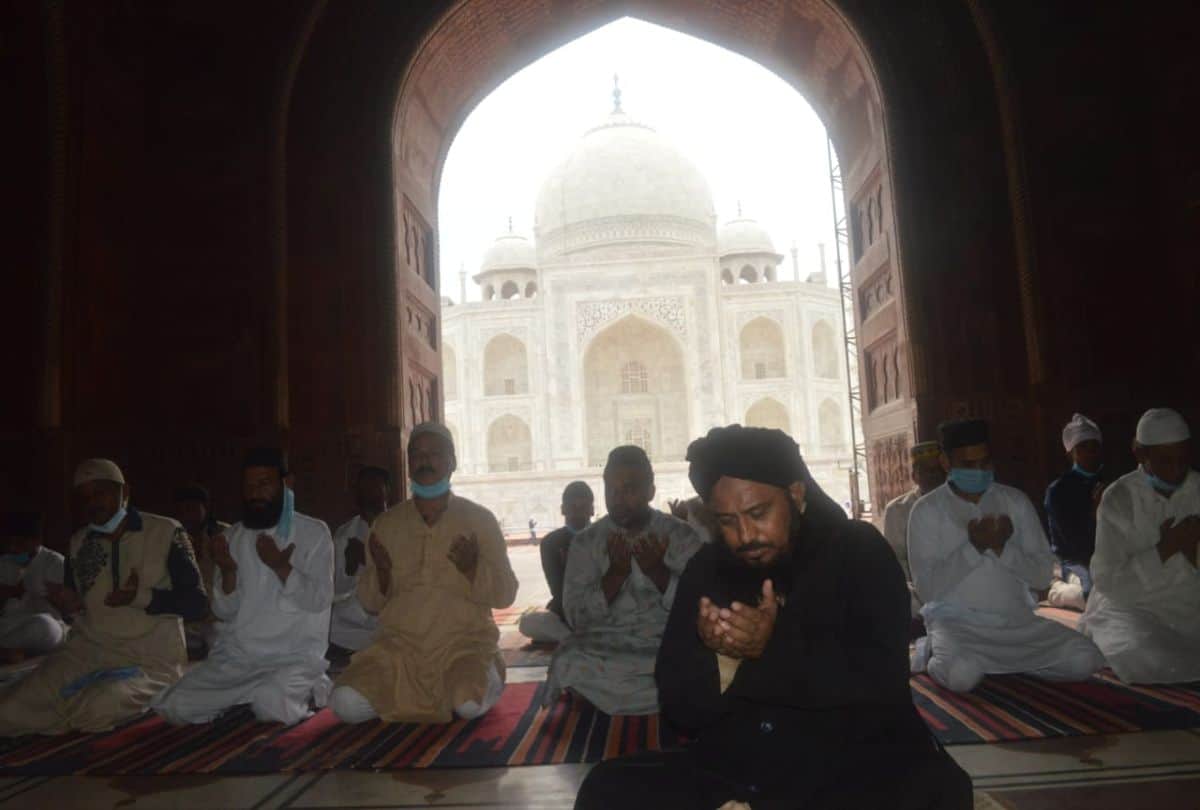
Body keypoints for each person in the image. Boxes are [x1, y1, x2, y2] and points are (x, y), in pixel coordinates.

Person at [575, 425, 972, 810]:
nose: (745, 535)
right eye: (727, 521)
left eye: (758, 513)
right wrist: (723, 660)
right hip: (739, 765)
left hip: (850, 760)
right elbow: (682, 711)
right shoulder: (708, 569)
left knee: (934, 790)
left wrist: (771, 649)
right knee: (605, 789)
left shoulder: (857, 552)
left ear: (796, 495)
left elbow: (880, 681)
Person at [0, 459, 207, 735]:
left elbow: (197, 605)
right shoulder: (79, 542)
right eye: (84, 497)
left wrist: (141, 597)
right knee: (8, 709)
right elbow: (79, 608)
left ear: (125, 491)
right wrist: (70, 605)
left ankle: (62, 715)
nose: (93, 503)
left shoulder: (166, 531)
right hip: (87, 651)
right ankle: (58, 714)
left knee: (94, 709)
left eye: (101, 492)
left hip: (149, 659)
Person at [330, 422, 518, 723]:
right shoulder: (386, 525)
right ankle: (425, 695)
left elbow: (506, 594)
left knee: (467, 704)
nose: (425, 460)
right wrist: (383, 573)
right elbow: (369, 603)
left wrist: (473, 569)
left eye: (434, 453)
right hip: (399, 651)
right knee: (344, 704)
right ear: (409, 464)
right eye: (417, 454)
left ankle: (482, 675)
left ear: (452, 462)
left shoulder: (479, 520)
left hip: (464, 646)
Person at [907, 419, 1105, 693]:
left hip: (1016, 621)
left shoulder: (1015, 502)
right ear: (946, 462)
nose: (979, 471)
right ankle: (933, 651)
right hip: (957, 624)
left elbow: (1041, 576)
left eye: (985, 462)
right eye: (968, 464)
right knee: (963, 676)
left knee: (1086, 659)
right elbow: (928, 591)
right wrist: (974, 547)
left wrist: (1004, 550)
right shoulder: (926, 511)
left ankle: (1018, 665)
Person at [154, 448, 334, 726]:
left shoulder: (314, 533)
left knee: (272, 706)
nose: (255, 494)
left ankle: (295, 691)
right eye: (249, 486)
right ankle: (244, 699)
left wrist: (281, 567)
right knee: (174, 706)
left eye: (264, 484)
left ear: (287, 484)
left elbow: (319, 600)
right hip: (239, 659)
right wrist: (228, 571)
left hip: (293, 658)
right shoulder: (231, 537)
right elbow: (224, 612)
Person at [544, 446, 704, 716]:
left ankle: (607, 698)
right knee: (569, 658)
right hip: (605, 645)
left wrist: (659, 574)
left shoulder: (680, 536)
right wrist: (614, 576)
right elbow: (574, 616)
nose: (618, 499)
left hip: (666, 641)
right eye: (611, 490)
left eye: (628, 489)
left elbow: (702, 606)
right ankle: (662, 695)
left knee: (701, 658)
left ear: (650, 491)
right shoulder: (586, 542)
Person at [1079, 408, 1200, 683]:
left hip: (1190, 604)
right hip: (1135, 608)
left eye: (1183, 459)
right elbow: (1108, 582)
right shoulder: (1119, 498)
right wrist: (1165, 549)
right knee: (1139, 653)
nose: (1177, 470)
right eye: (1166, 461)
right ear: (1140, 454)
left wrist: (1192, 553)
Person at [519, 481, 595, 644]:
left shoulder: (604, 536)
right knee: (527, 623)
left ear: (592, 510)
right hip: (564, 612)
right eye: (572, 507)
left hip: (598, 611)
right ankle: (577, 640)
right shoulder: (551, 542)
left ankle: (574, 639)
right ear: (563, 509)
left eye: (582, 507)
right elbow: (557, 589)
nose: (577, 513)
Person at [1043, 413, 1106, 610]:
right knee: (1095, 596)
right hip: (1074, 560)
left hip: (1109, 555)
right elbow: (1074, 544)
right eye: (1083, 447)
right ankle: (1057, 590)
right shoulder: (1058, 490)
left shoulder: (1112, 483)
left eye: (1094, 446)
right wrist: (1095, 513)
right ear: (1071, 453)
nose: (1090, 452)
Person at [329, 466, 391, 653]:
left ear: (387, 491)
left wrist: (367, 559)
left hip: (389, 608)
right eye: (364, 489)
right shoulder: (344, 532)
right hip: (356, 611)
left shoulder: (399, 527)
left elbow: (404, 577)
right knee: (326, 621)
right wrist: (349, 568)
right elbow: (337, 589)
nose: (369, 494)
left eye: (374, 488)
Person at [881, 440, 946, 617]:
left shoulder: (958, 504)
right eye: (927, 471)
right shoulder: (897, 510)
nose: (934, 476)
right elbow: (896, 561)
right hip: (917, 599)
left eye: (938, 470)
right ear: (914, 476)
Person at [0, 511, 66, 663]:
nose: (13, 548)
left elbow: (65, 609)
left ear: (37, 540)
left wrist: (47, 595)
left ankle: (8, 651)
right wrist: (10, 592)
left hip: (40, 623)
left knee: (47, 627)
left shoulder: (54, 562)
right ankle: (11, 651)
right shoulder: (4, 562)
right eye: (10, 543)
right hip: (9, 625)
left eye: (20, 544)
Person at [172, 483, 228, 659]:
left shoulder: (224, 534)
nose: (186, 515)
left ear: (206, 508)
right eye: (181, 511)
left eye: (192, 509)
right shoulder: (172, 537)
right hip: (188, 621)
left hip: (220, 618)